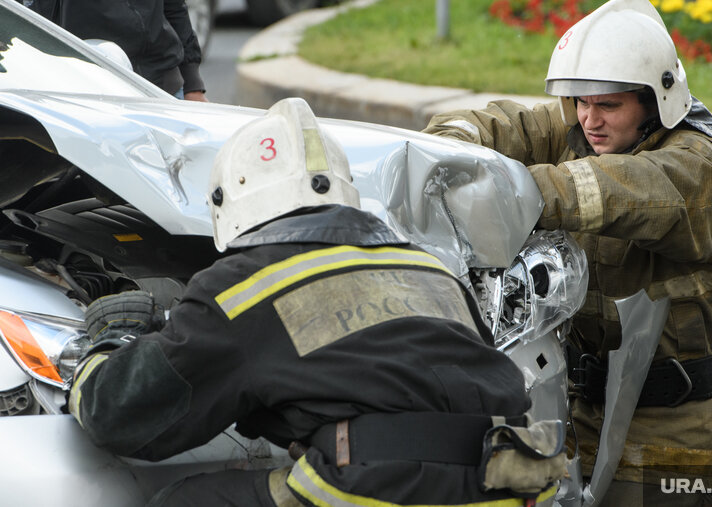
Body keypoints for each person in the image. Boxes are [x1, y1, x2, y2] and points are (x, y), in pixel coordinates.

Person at [67, 97, 566, 506]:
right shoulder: (429, 268)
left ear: (227, 205)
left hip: (386, 487)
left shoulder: (245, 287)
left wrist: (107, 340)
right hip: (509, 482)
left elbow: (118, 417)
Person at [423, 0, 712, 504]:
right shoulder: (584, 129)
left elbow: (621, 189)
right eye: (581, 103)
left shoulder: (697, 168)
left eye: (609, 105)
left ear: (654, 101)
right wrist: (444, 153)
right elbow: (495, 125)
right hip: (580, 407)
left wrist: (507, 191)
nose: (590, 120)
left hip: (675, 423)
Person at [20, 0, 208, 101]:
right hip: (88, 93)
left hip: (162, 86)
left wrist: (192, 84)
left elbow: (174, 7)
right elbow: (28, 17)